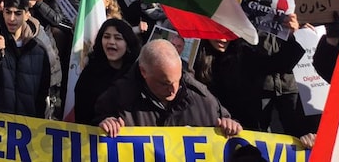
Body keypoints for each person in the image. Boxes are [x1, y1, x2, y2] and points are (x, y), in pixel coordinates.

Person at [95, 39, 242, 137]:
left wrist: (230, 125)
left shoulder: (202, 99)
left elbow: (225, 120)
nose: (173, 89)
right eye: (164, 83)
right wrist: (103, 124)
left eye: (177, 80)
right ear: (143, 72)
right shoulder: (118, 97)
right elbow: (87, 136)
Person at [0, 0, 61, 118]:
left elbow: (42, 92)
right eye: (8, 12)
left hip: (27, 123)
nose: (11, 18)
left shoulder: (38, 49)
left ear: (27, 15)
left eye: (18, 13)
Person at [73, 18, 141, 124]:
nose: (111, 42)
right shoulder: (89, 74)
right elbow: (82, 115)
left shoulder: (137, 74)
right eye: (106, 37)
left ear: (128, 43)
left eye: (118, 38)